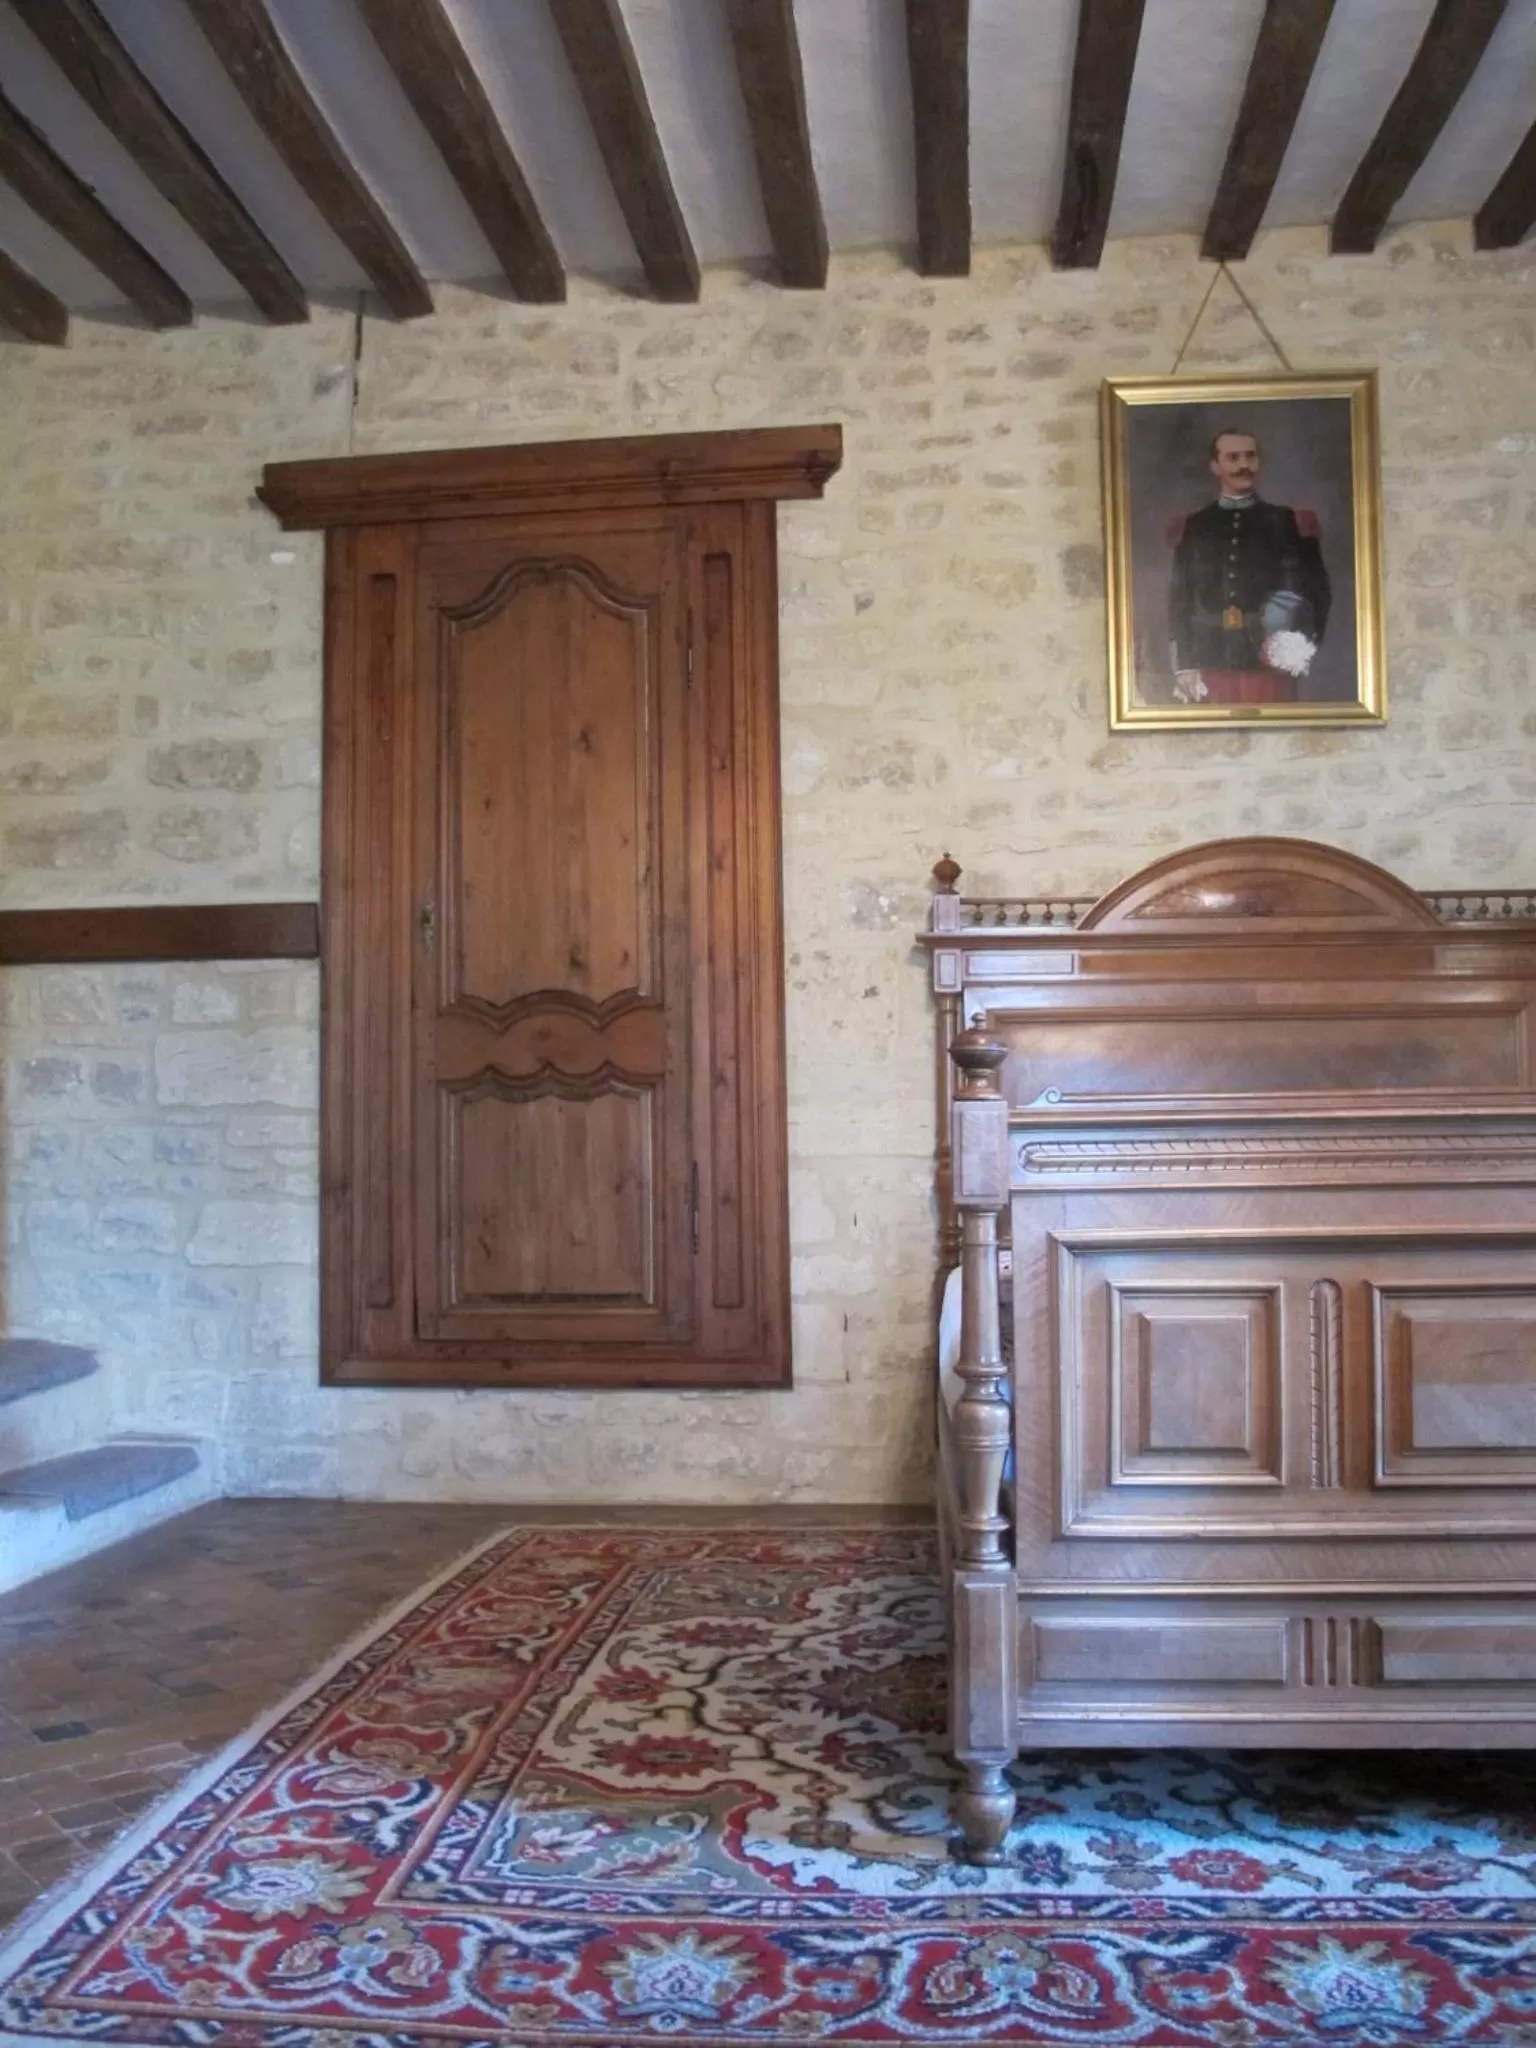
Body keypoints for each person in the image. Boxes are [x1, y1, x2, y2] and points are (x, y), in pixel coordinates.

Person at [1166, 427, 1331, 706]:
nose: (1244, 466)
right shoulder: (1195, 527)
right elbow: (1180, 599)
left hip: (1270, 664)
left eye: (1250, 457)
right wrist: (1184, 663)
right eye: (1233, 458)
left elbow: (1318, 592)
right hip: (1209, 663)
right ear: (1215, 466)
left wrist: (1300, 647)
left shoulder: (1288, 522)